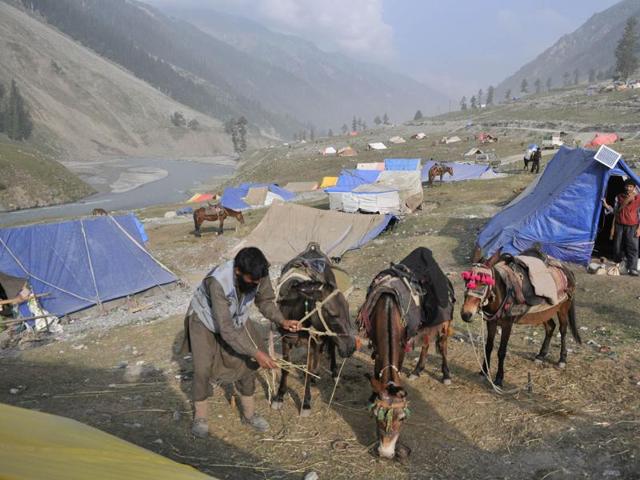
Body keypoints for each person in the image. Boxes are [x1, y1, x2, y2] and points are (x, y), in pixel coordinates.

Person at [180, 247, 300, 437]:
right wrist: (256, 352)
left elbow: (266, 301)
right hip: (205, 320)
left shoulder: (259, 273)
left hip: (236, 318)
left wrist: (282, 320)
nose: (256, 284)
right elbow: (226, 329)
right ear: (237, 272)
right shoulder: (218, 282)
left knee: (248, 364)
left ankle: (249, 415)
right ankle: (200, 417)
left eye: (259, 280)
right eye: (252, 281)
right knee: (202, 369)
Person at [602, 179, 640, 276]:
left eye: (630, 186)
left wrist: (639, 228)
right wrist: (606, 206)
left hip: (633, 226)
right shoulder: (618, 197)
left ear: (634, 187)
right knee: (617, 246)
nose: (628, 188)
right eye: (627, 186)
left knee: (633, 247)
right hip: (620, 225)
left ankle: (633, 268)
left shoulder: (638, 198)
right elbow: (616, 211)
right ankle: (619, 266)